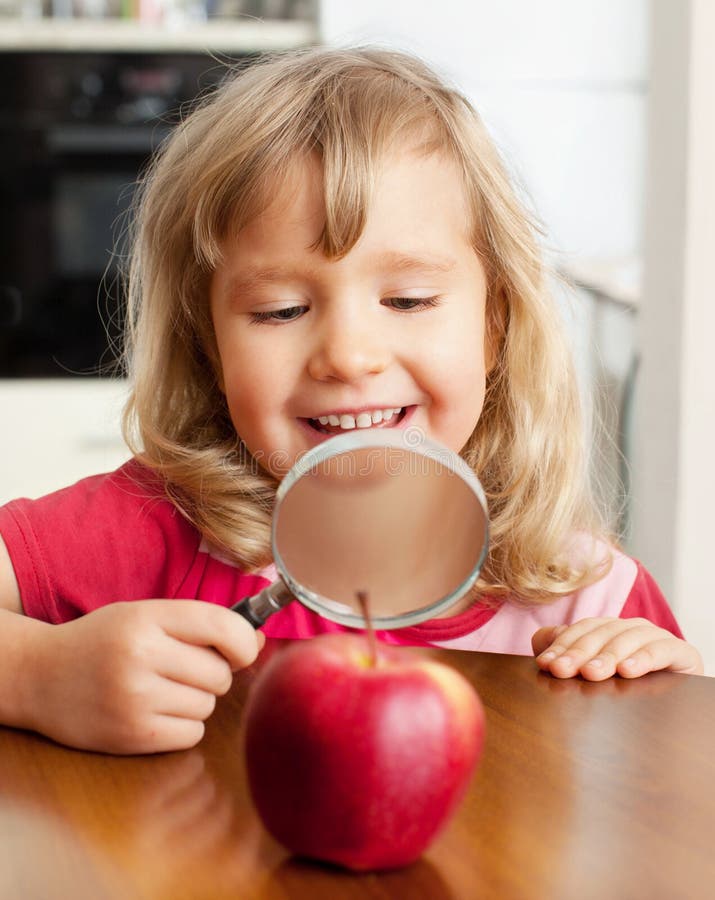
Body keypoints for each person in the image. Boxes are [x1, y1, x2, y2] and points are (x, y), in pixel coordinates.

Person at [0, 47, 703, 755]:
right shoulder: (157, 530)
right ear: (209, 349)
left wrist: (659, 704)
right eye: (278, 310)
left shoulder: (589, 595)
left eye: (408, 299)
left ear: (495, 328)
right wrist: (37, 676)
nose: (347, 355)